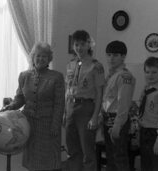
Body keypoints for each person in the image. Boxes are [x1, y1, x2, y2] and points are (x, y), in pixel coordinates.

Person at [3, 42, 65, 171]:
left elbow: (59, 104)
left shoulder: (56, 77)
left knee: (47, 159)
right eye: (38, 56)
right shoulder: (24, 76)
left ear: (49, 59)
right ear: (33, 57)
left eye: (44, 56)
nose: (40, 59)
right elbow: (20, 98)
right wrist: (11, 107)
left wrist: (55, 125)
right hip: (29, 123)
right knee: (31, 159)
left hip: (48, 125)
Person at [64, 30, 105, 171]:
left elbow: (100, 93)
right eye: (76, 44)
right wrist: (65, 112)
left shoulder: (96, 66)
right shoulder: (70, 64)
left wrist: (95, 116)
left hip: (86, 108)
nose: (79, 48)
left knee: (87, 151)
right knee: (72, 149)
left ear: (89, 44)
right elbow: (67, 89)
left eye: (82, 44)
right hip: (71, 107)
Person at [101, 40, 135, 171]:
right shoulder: (112, 75)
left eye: (115, 55)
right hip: (107, 118)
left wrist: (117, 125)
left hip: (117, 120)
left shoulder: (124, 76)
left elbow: (123, 103)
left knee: (119, 157)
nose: (111, 58)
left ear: (123, 56)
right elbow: (107, 99)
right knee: (111, 157)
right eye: (108, 55)